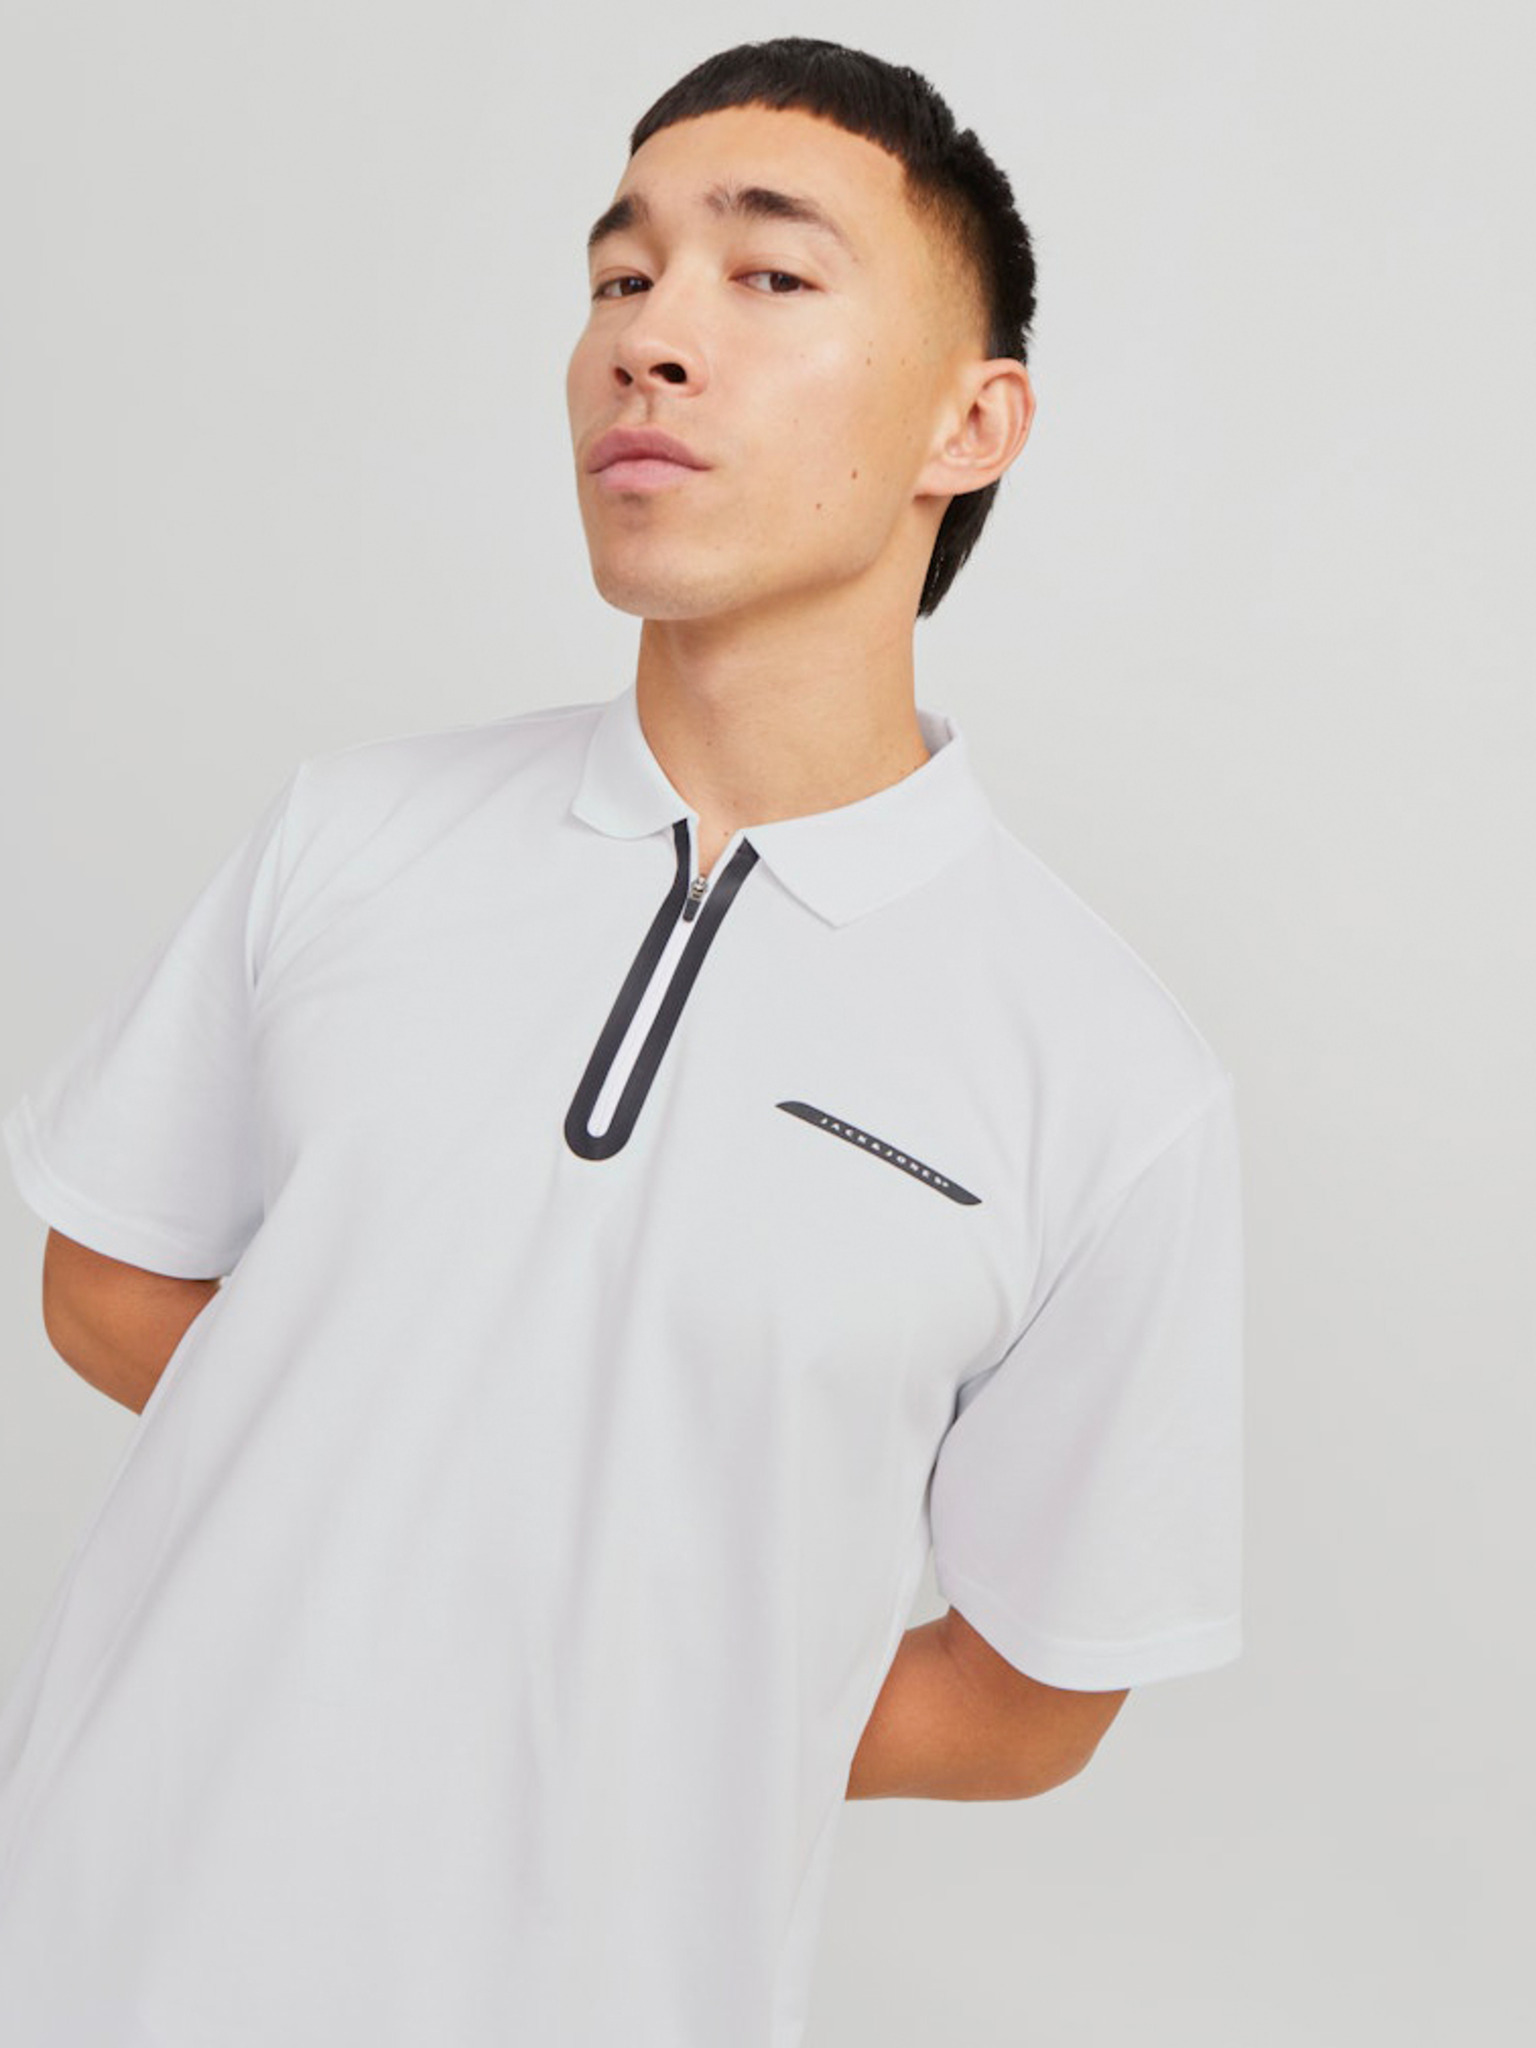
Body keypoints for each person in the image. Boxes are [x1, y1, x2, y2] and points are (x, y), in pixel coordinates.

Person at [0, 35, 1244, 2048]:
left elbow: (1029, 1698)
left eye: (769, 275)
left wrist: (640, 1692)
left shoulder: (1107, 1080)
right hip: (88, 1961)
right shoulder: (351, 838)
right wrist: (391, 1524)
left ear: (972, 419)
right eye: (620, 274)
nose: (650, 339)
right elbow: (107, 1276)